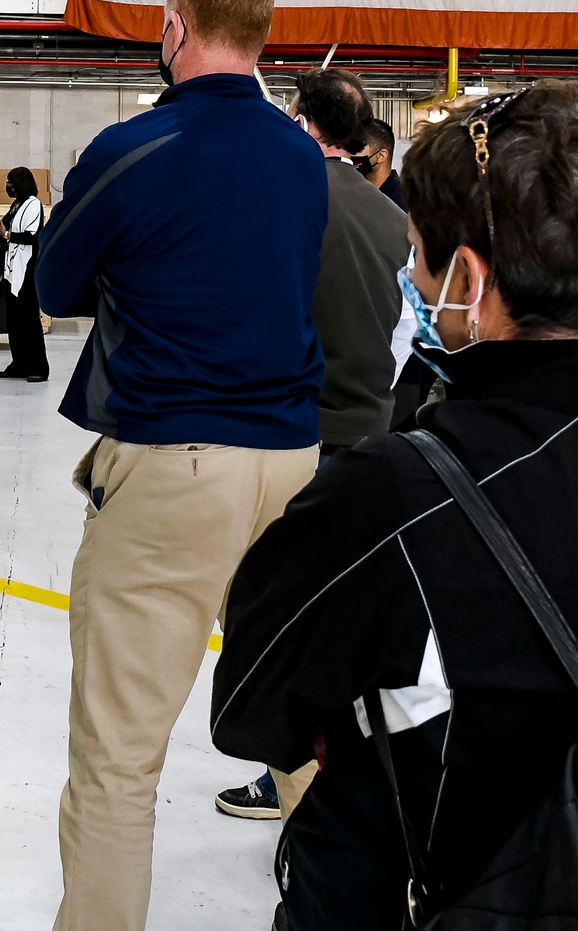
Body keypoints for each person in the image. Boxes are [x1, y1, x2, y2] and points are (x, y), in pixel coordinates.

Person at [211, 81, 578, 929]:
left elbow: (250, 701)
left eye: (421, 255)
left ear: (469, 276)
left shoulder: (397, 488)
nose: (414, 279)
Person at [34, 0, 327, 931]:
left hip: (172, 460)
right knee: (297, 720)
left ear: (175, 26)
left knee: (117, 759)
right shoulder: (300, 157)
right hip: (291, 461)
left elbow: (53, 286)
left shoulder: (131, 149)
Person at [214, 68, 410, 823]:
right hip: (377, 437)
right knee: (355, 617)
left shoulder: (282, 201)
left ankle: (289, 777)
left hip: (297, 438)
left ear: (298, 120)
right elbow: (406, 340)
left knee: (283, 619)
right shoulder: (395, 220)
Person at [0, 166, 50, 382]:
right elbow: (6, 224)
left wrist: (6, 234)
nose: (8, 186)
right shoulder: (17, 205)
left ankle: (39, 367)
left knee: (29, 320)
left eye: (10, 182)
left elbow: (31, 236)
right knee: (14, 321)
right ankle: (19, 363)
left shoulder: (34, 205)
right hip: (11, 270)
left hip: (26, 271)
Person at [355, 117, 403, 207]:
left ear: (381, 156)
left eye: (357, 149)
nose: (350, 155)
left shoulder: (403, 201)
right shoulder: (356, 193)